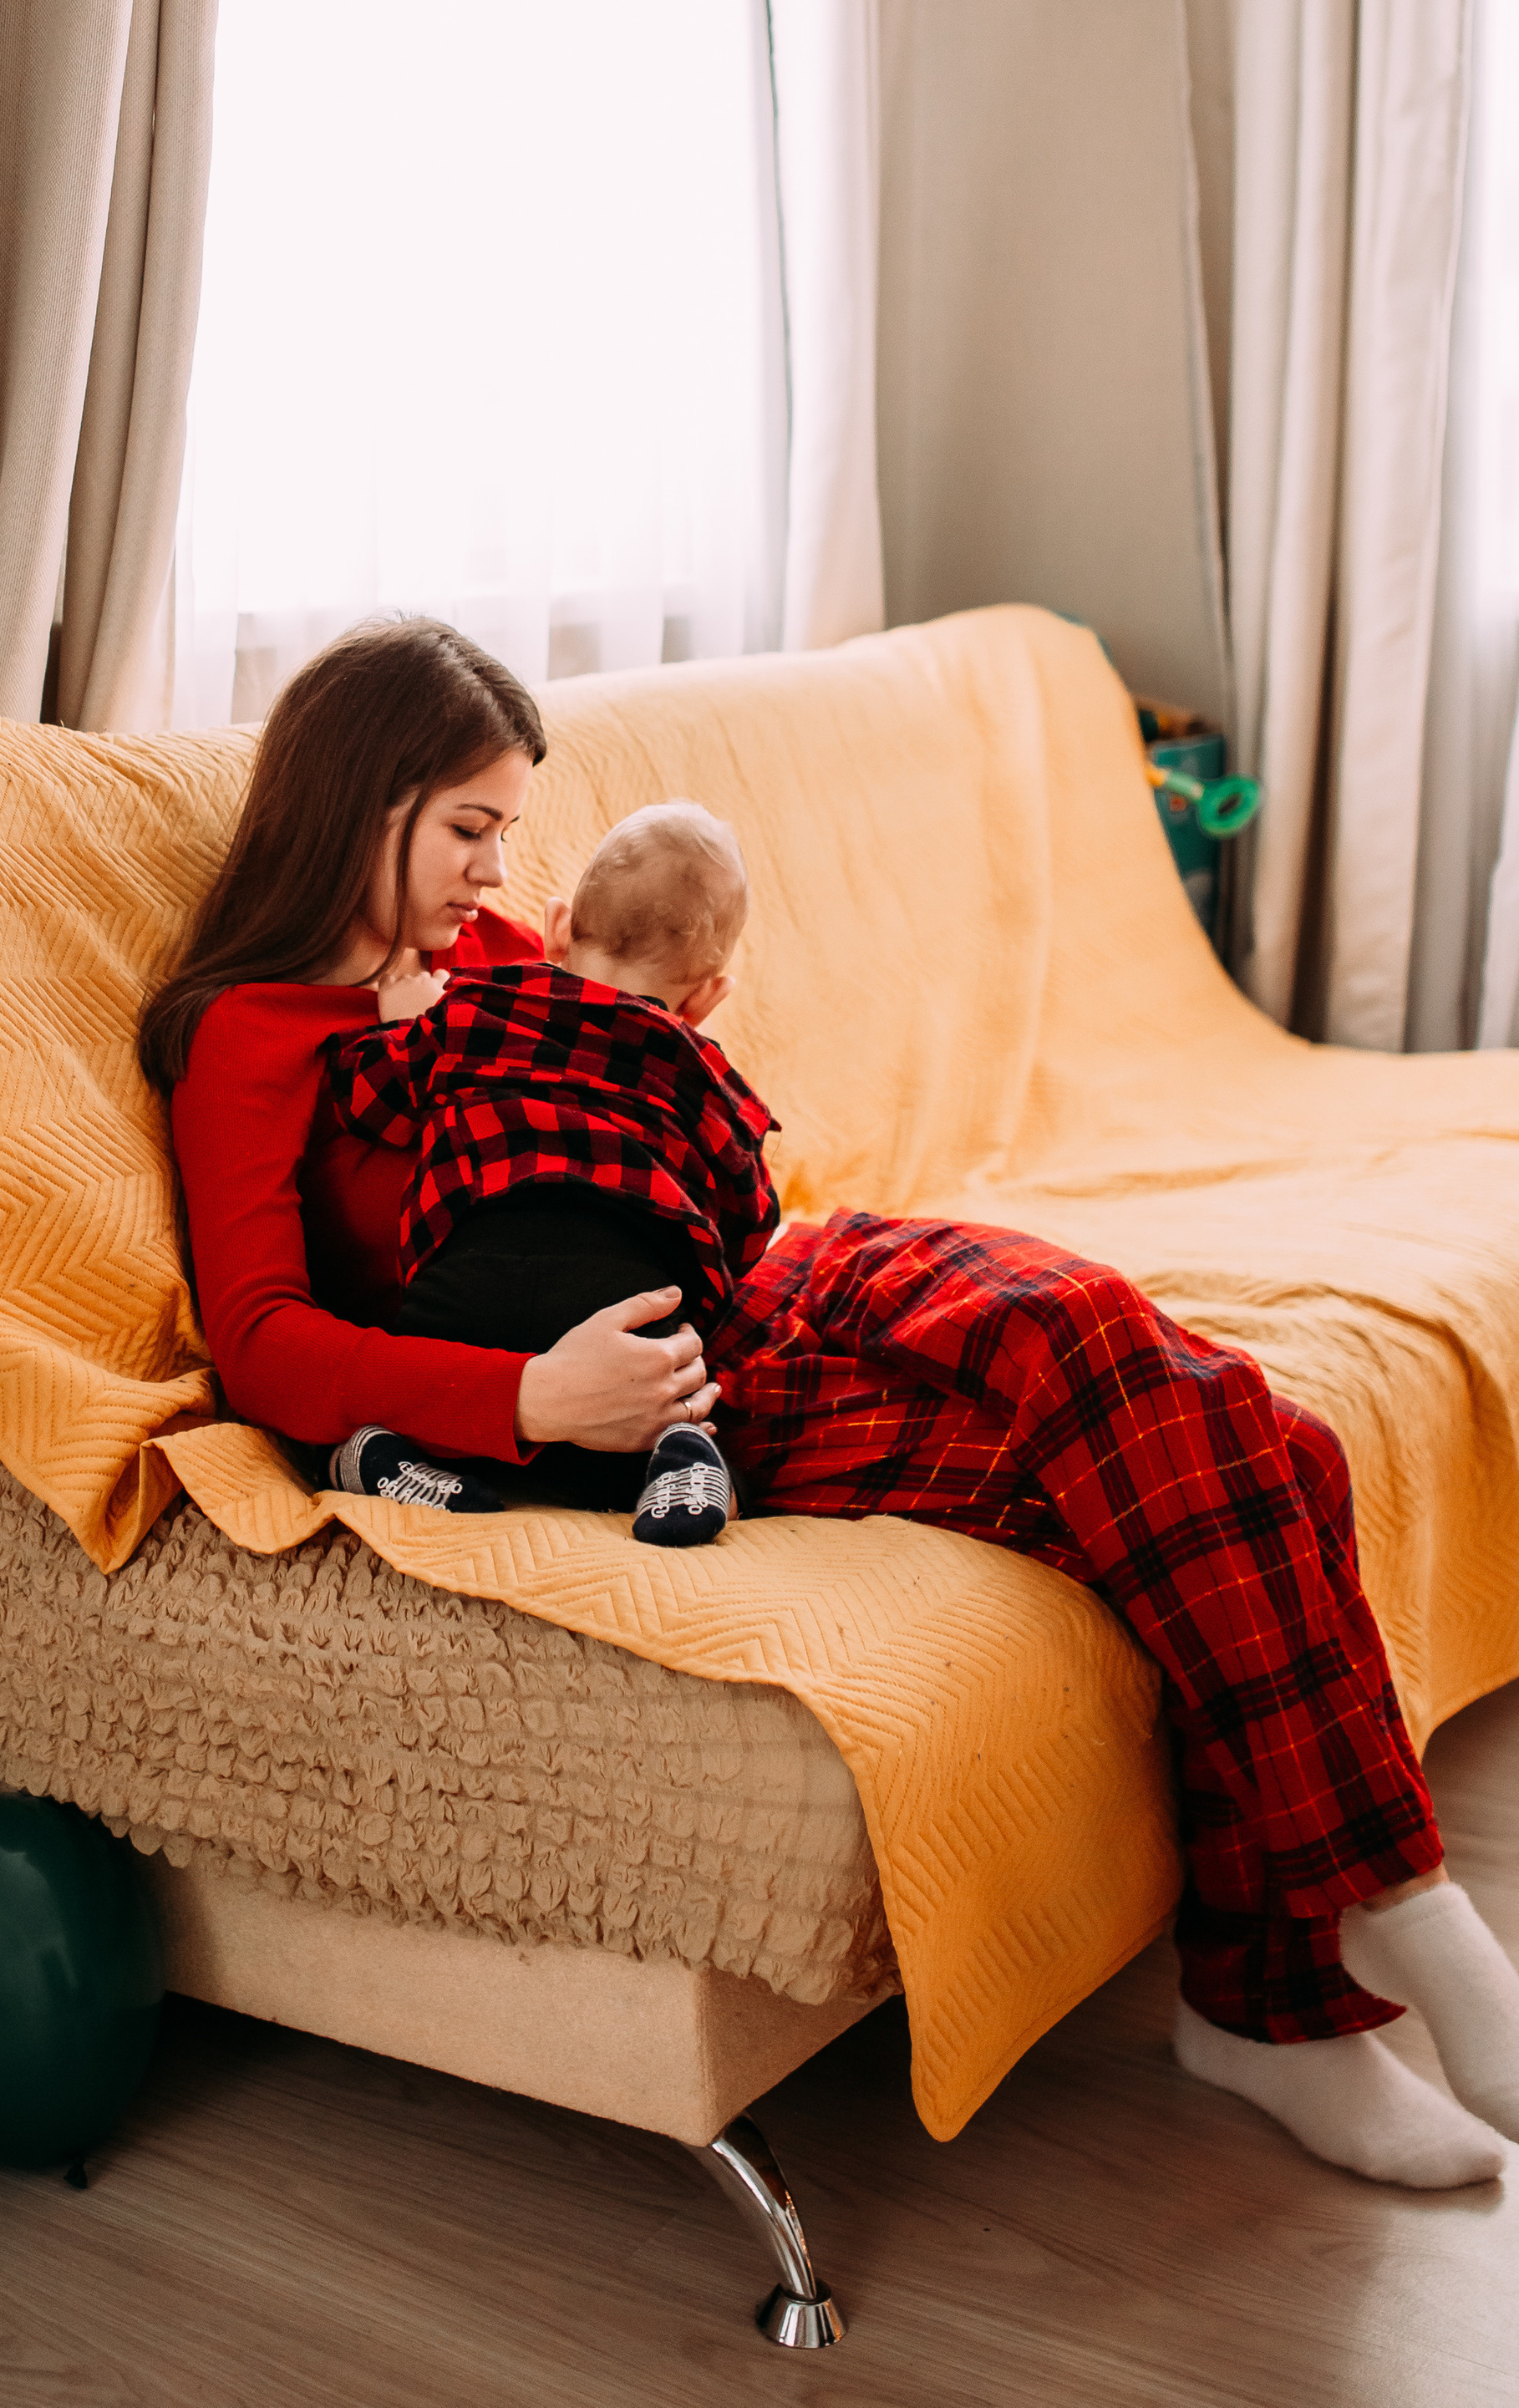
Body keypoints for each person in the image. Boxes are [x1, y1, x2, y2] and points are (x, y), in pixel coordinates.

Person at [140, 615, 1519, 2193]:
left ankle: (1341, 1958)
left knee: (1182, 1384)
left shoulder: (502, 960)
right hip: (678, 1399)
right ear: (359, 802)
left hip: (784, 1266)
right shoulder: (248, 1041)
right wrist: (531, 1398)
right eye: (469, 831)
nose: (494, 874)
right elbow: (261, 1343)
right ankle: (1320, 1986)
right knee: (1242, 1461)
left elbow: (651, 1075)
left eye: (507, 833)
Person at [323, 800, 777, 1545]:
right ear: (705, 996)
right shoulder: (703, 1074)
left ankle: (386, 1456)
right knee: (669, 1387)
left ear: (559, 926)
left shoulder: (474, 1010)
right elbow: (751, 1217)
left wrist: (400, 1024)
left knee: (428, 1386)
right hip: (621, 1299)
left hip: (463, 1291)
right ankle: (683, 1455)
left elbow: (363, 1097)